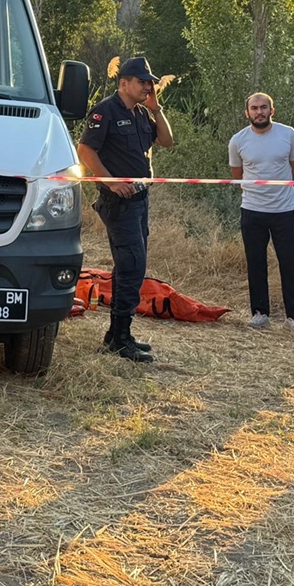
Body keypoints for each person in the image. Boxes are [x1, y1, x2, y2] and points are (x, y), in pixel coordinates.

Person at [77, 56, 175, 363]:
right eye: (142, 81)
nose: (148, 86)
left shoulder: (142, 113)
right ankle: (119, 338)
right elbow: (85, 149)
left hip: (139, 200)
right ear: (124, 83)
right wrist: (110, 182)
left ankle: (118, 335)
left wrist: (157, 107)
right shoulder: (106, 111)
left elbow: (167, 140)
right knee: (133, 265)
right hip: (118, 203)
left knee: (130, 268)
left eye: (150, 82)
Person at [228, 92, 294, 334]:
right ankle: (260, 313)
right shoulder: (238, 140)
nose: (259, 112)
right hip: (252, 210)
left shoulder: (288, 134)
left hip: (283, 210)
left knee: (288, 263)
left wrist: (280, 193)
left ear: (272, 110)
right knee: (255, 263)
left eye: (263, 108)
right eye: (254, 108)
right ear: (247, 112)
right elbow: (237, 174)